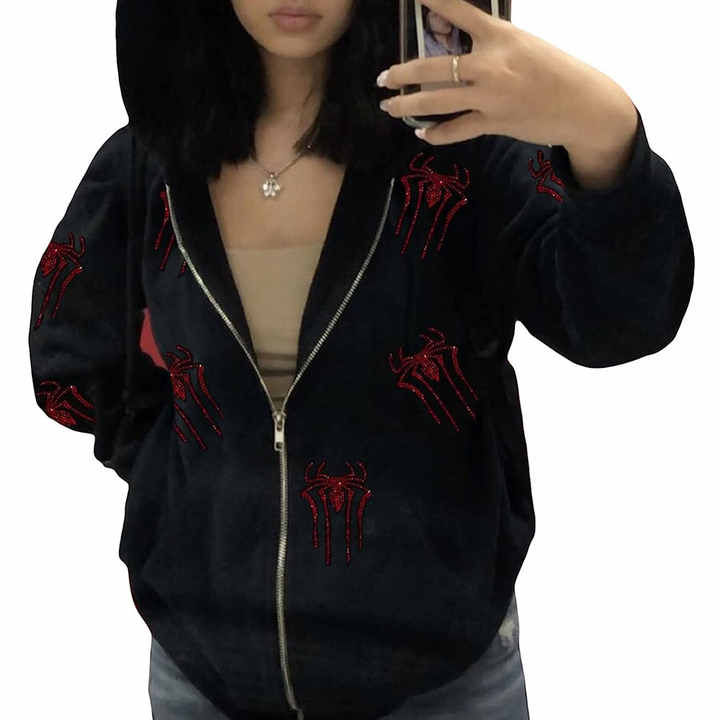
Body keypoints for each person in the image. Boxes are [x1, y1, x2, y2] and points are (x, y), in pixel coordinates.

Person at [28, 1, 694, 718]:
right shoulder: (149, 161)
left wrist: (601, 127)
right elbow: (72, 355)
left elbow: (613, 322)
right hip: (206, 673)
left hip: (443, 675)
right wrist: (187, 486)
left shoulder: (458, 143)